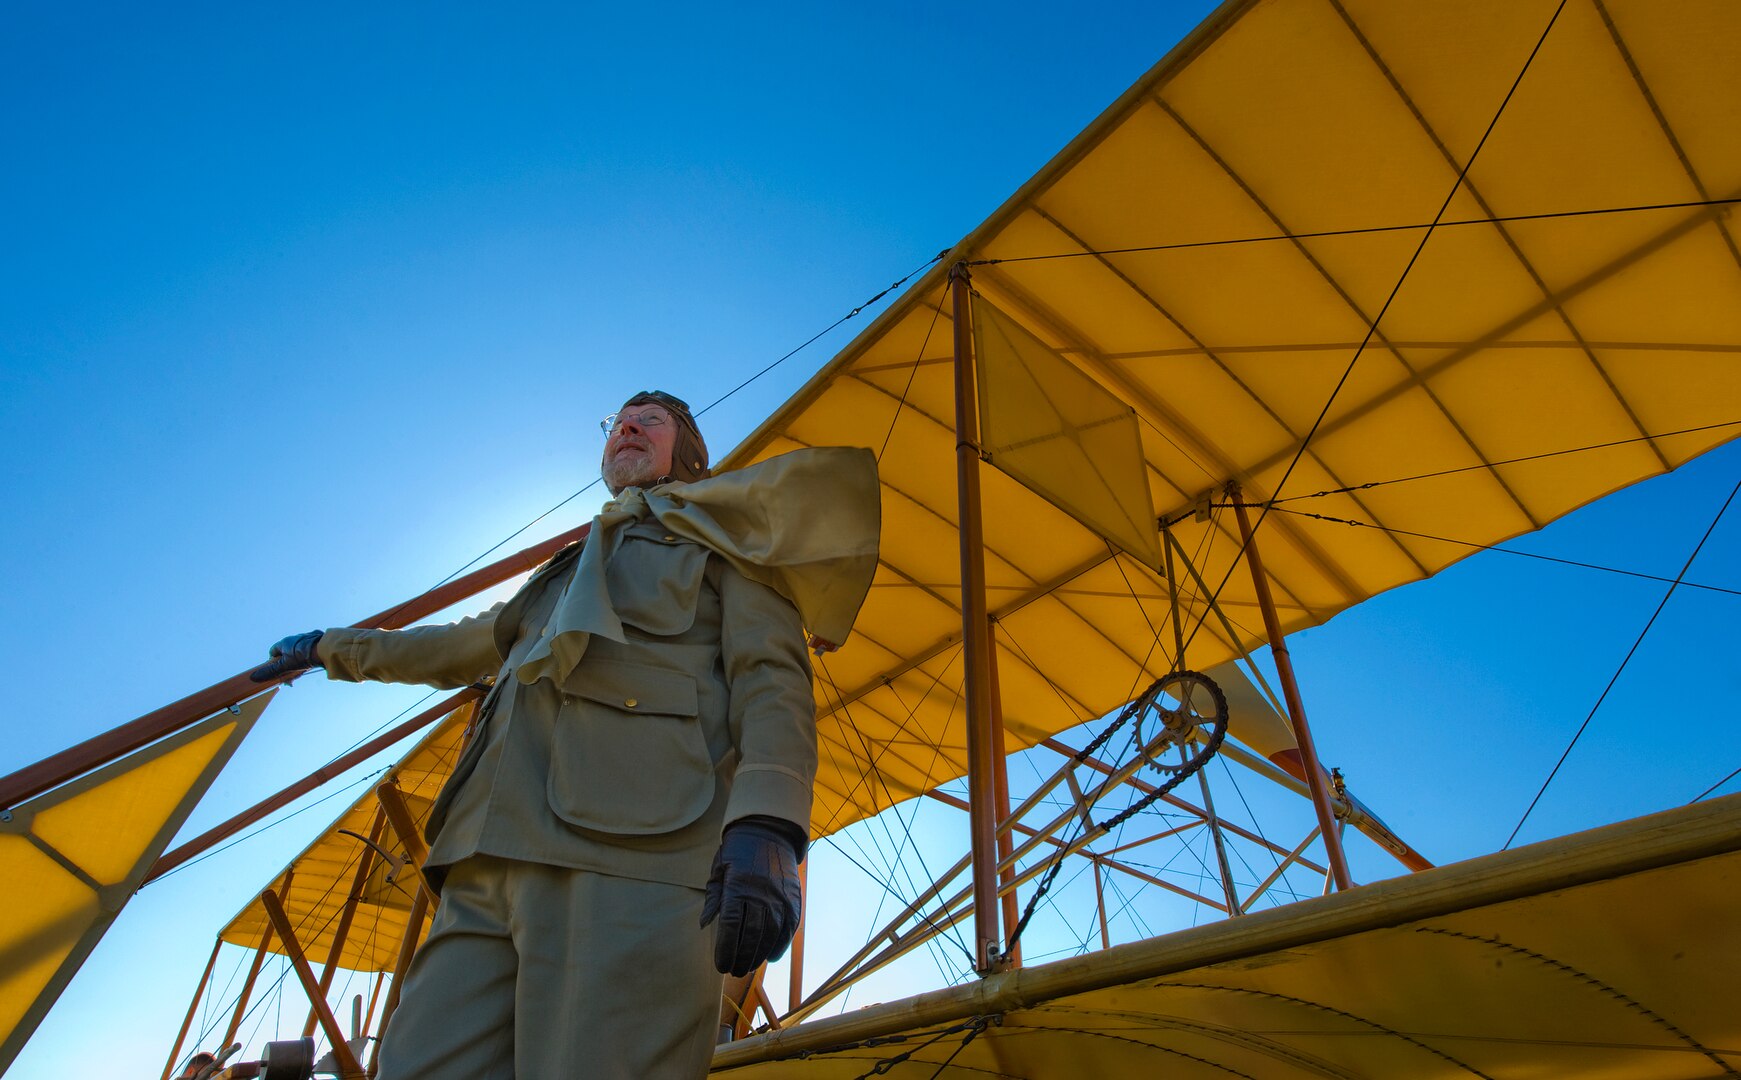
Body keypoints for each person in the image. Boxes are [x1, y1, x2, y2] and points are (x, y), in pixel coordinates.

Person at [250, 391, 879, 1079]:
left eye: (652, 420)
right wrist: (329, 647)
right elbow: (451, 647)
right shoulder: (564, 571)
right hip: (484, 857)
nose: (627, 428)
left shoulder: (729, 537)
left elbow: (772, 682)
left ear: (688, 454)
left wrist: (769, 824)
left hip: (634, 854)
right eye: (617, 423)